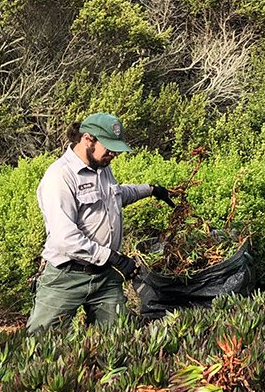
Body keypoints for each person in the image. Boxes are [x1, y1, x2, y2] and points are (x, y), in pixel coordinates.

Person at [26, 112, 176, 335]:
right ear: (87, 139)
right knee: (39, 342)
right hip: (66, 276)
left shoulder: (102, 167)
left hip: (105, 276)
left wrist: (150, 190)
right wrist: (113, 257)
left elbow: (114, 196)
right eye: (108, 146)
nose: (113, 153)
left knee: (118, 338)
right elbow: (65, 238)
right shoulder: (60, 177)